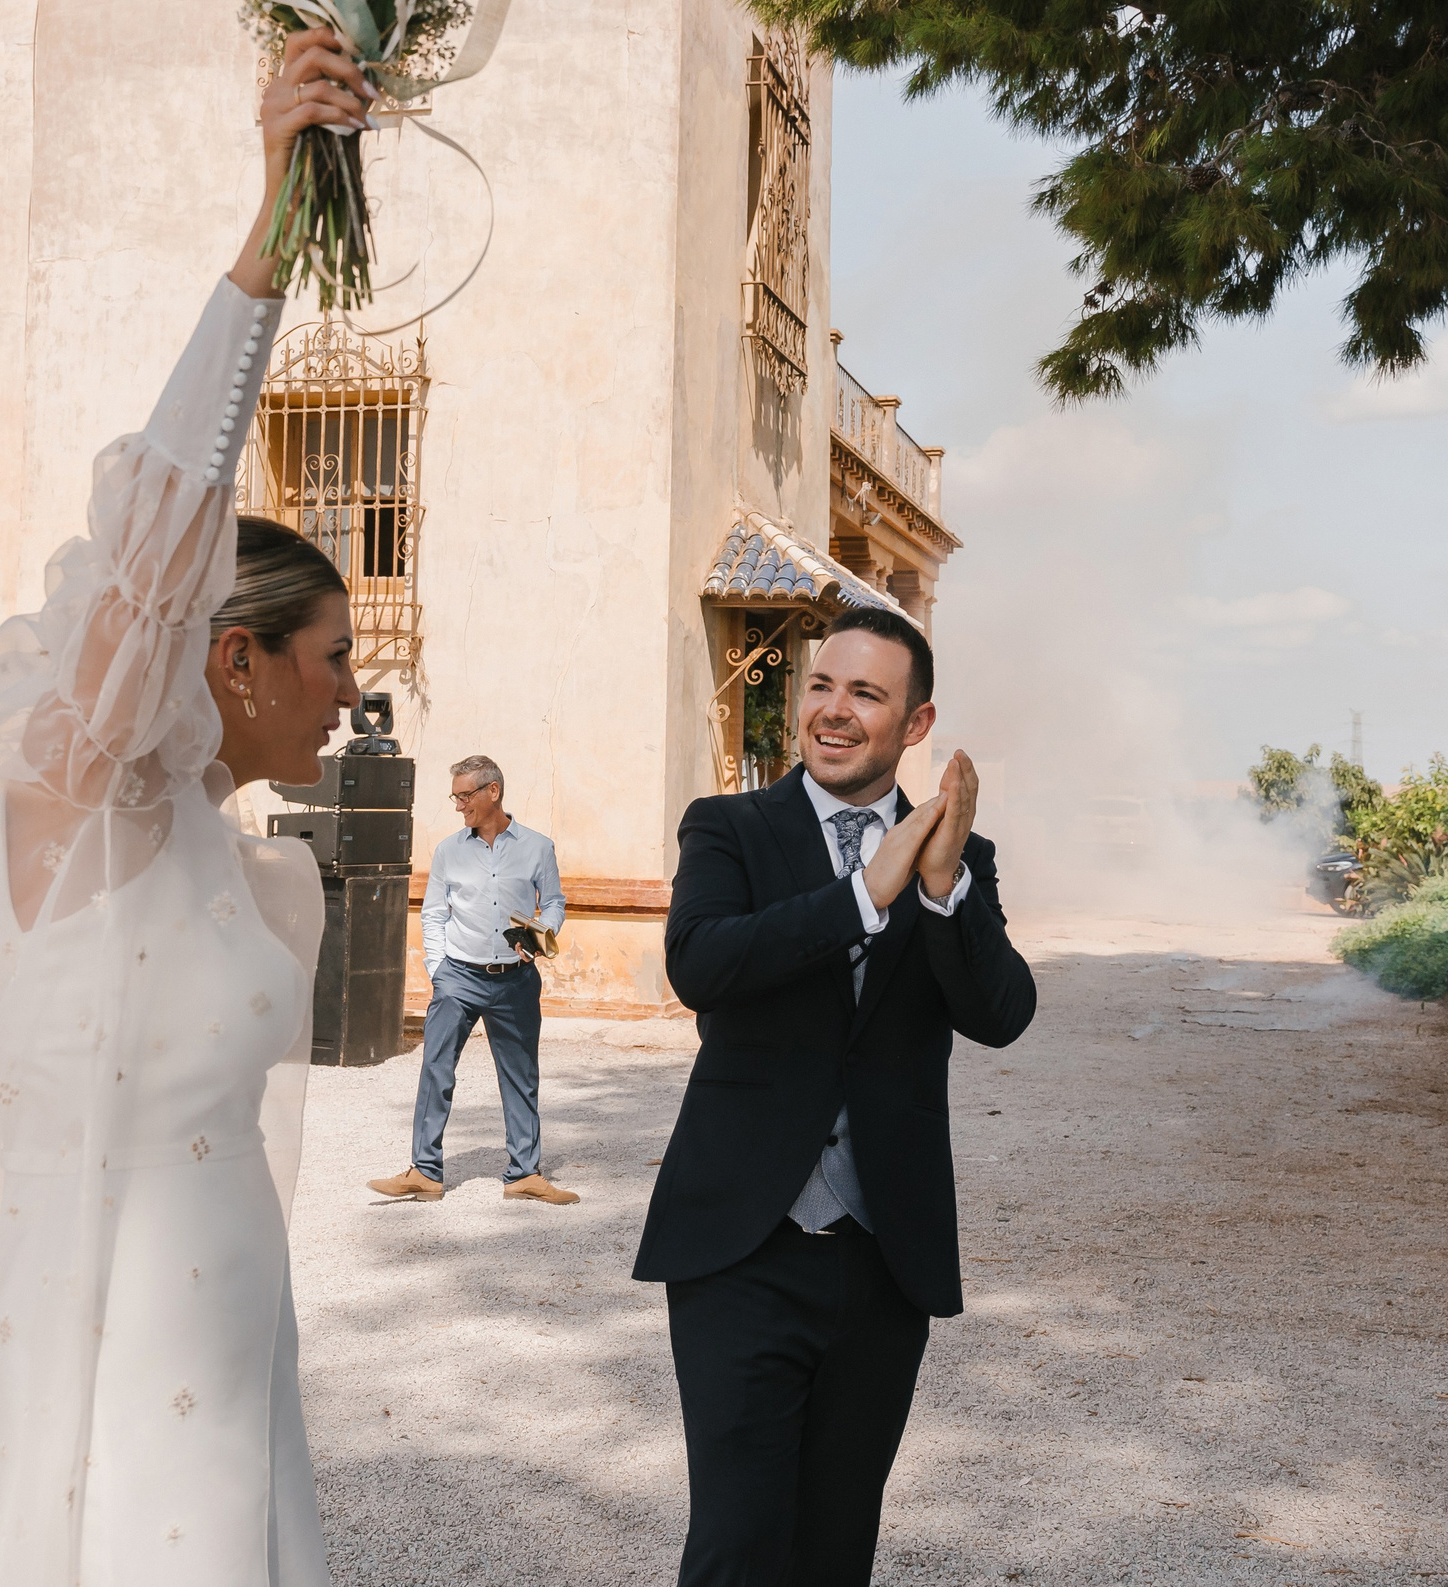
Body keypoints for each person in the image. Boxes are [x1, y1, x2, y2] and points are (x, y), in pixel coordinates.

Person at [0, 28, 371, 1585]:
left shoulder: (234, 856)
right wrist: (272, 236)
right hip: (101, 1388)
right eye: (331, 656)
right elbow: (158, 537)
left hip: (228, 1355)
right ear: (234, 656)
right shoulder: (87, 808)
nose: (353, 689)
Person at [634, 606, 1038, 1586]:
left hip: (881, 1260)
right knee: (736, 1545)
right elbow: (702, 964)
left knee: (834, 1548)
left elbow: (1000, 1012)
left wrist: (939, 893)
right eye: (822, 684)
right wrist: (865, 892)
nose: (833, 710)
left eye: (866, 693)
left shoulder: (959, 857)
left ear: (914, 723)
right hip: (740, 1249)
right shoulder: (729, 827)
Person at [368, 756, 577, 1205]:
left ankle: (524, 1175)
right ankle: (424, 1173)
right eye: (456, 796)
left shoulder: (538, 847)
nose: (459, 805)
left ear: (493, 792)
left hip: (516, 980)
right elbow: (434, 913)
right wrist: (439, 972)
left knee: (521, 1076)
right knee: (436, 1070)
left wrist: (545, 932)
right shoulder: (448, 850)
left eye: (466, 796)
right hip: (458, 977)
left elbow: (555, 901)